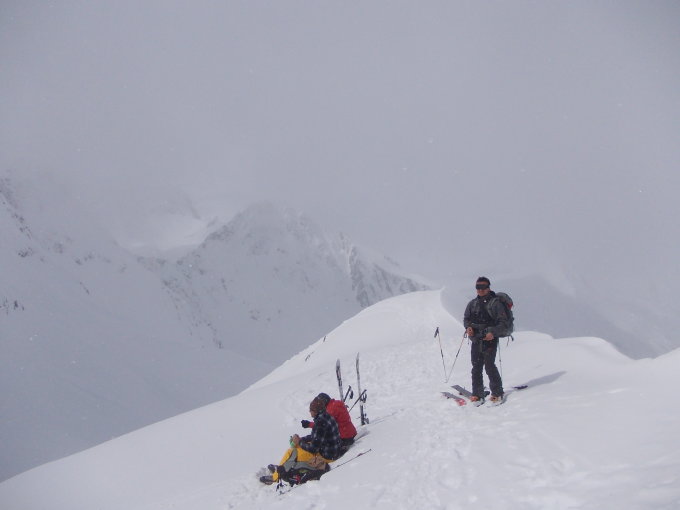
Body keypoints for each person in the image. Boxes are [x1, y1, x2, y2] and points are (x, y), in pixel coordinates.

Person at [260, 396, 343, 485]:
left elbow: (313, 449)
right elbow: (317, 436)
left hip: (326, 456)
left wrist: (299, 442)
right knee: (296, 449)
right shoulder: (326, 416)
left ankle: (276, 476)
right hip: (331, 451)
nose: (309, 412)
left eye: (311, 410)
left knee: (292, 452)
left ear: (315, 411)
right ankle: (283, 466)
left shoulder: (320, 423)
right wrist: (301, 439)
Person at [463, 276, 509, 402]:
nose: (480, 290)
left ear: (488, 288)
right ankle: (477, 394)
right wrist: (468, 327)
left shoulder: (496, 304)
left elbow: (503, 323)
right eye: (478, 287)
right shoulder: (472, 304)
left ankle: (497, 392)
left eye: (483, 287)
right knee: (476, 367)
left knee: (489, 366)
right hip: (476, 339)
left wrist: (492, 332)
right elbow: (466, 319)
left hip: (490, 340)